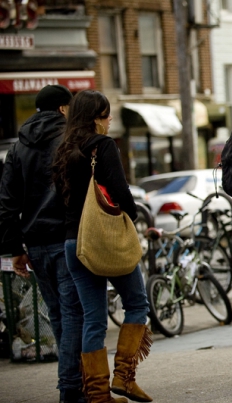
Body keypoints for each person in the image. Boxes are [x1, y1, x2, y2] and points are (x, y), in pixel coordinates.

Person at [52, 90, 152, 403]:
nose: (109, 120)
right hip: (104, 239)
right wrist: (132, 216)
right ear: (95, 116)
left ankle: (97, 396)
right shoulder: (102, 146)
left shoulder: (63, 150)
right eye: (106, 114)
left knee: (92, 319)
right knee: (136, 304)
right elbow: (120, 190)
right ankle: (123, 377)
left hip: (73, 243)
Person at [0, 85, 86, 403]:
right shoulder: (71, 138)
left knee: (59, 314)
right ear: (63, 109)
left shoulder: (17, 148)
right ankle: (70, 388)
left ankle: (73, 384)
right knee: (74, 313)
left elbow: (6, 203)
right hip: (66, 239)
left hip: (34, 244)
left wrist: (15, 250)